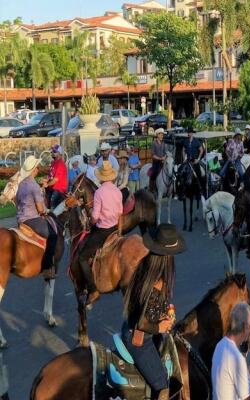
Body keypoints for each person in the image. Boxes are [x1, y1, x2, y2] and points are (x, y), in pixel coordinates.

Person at [122, 224, 185, 400]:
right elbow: (142, 323)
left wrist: (166, 311)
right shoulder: (155, 283)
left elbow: (147, 308)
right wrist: (161, 327)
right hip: (140, 340)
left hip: (128, 326)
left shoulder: (145, 267)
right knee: (163, 385)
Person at [77, 160, 123, 306]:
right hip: (116, 228)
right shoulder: (117, 191)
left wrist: (89, 223)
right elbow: (121, 213)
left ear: (101, 177)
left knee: (82, 257)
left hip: (103, 230)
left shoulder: (99, 192)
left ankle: (92, 289)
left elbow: (95, 217)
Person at [15, 156, 57, 278]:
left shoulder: (21, 184)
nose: (38, 169)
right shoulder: (34, 186)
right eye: (37, 167)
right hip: (32, 219)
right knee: (53, 235)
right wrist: (45, 212)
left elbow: (17, 202)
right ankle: (48, 268)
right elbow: (40, 209)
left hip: (20, 219)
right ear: (33, 170)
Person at [43, 144, 68, 209]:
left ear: (59, 153)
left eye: (54, 151)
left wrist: (47, 184)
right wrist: (45, 180)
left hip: (59, 189)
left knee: (52, 207)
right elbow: (50, 175)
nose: (52, 153)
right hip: (52, 188)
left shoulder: (61, 164)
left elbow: (56, 179)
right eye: (52, 151)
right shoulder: (53, 163)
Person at [149, 130, 168, 194]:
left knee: (170, 171)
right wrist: (160, 158)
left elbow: (166, 153)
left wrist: (164, 157)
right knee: (154, 172)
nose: (162, 136)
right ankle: (152, 188)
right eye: (161, 134)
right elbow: (153, 155)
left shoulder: (163, 143)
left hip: (163, 162)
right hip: (156, 162)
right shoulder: (154, 143)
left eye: (162, 134)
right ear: (157, 135)